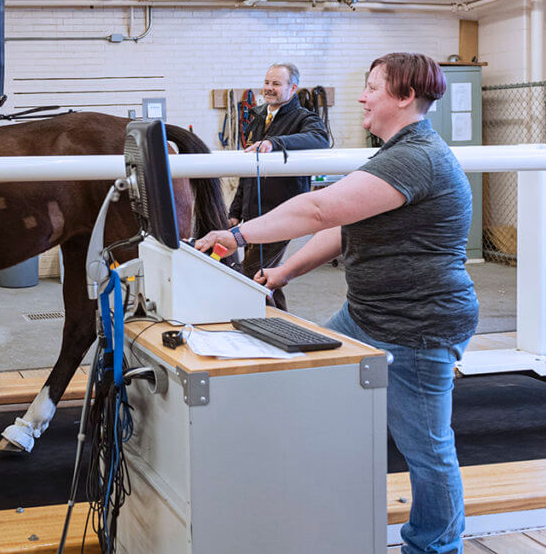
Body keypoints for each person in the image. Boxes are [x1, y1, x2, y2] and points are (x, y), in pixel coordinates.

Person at [196, 52, 478, 554]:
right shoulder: (394, 154)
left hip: (418, 326)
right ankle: (327, 516)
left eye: (372, 87)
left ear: (406, 97)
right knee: (317, 392)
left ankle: (435, 547)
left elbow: (319, 207)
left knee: (427, 449)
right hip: (368, 314)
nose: (363, 97)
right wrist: (285, 270)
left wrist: (237, 234)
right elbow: (343, 226)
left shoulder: (417, 156)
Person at [227, 63, 330, 310]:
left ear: (292, 88)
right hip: (254, 213)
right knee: (267, 277)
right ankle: (280, 321)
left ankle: (274, 326)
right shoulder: (259, 115)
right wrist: (235, 211)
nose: (268, 89)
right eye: (266, 83)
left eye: (276, 84)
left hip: (283, 215)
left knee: (252, 273)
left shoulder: (304, 118)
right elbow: (249, 170)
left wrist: (275, 143)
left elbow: (320, 139)